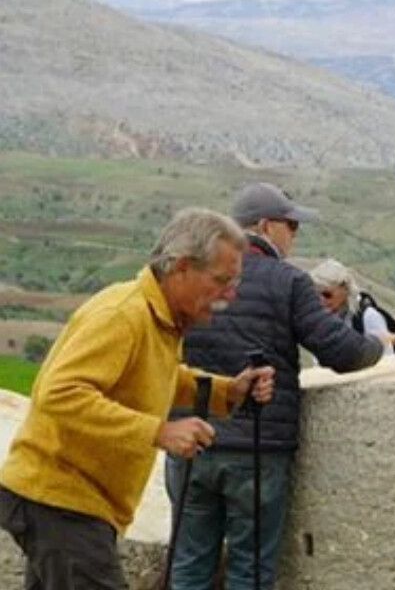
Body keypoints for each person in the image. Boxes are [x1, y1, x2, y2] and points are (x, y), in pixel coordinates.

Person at [0, 208, 275, 590]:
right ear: (181, 267)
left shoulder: (157, 319)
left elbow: (157, 376)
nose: (230, 294)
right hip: (60, 498)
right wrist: (159, 431)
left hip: (68, 501)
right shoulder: (123, 315)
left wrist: (229, 391)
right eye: (222, 280)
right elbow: (60, 395)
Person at [167, 183, 384, 590]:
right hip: (257, 448)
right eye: (292, 226)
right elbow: (340, 350)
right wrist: (378, 346)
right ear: (266, 226)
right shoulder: (287, 281)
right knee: (250, 572)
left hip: (189, 442)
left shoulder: (191, 278)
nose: (295, 235)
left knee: (189, 567)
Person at [309, 258, 395, 355]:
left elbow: (387, 359)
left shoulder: (369, 317)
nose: (321, 300)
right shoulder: (324, 321)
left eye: (327, 294)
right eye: (316, 295)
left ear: (344, 288)